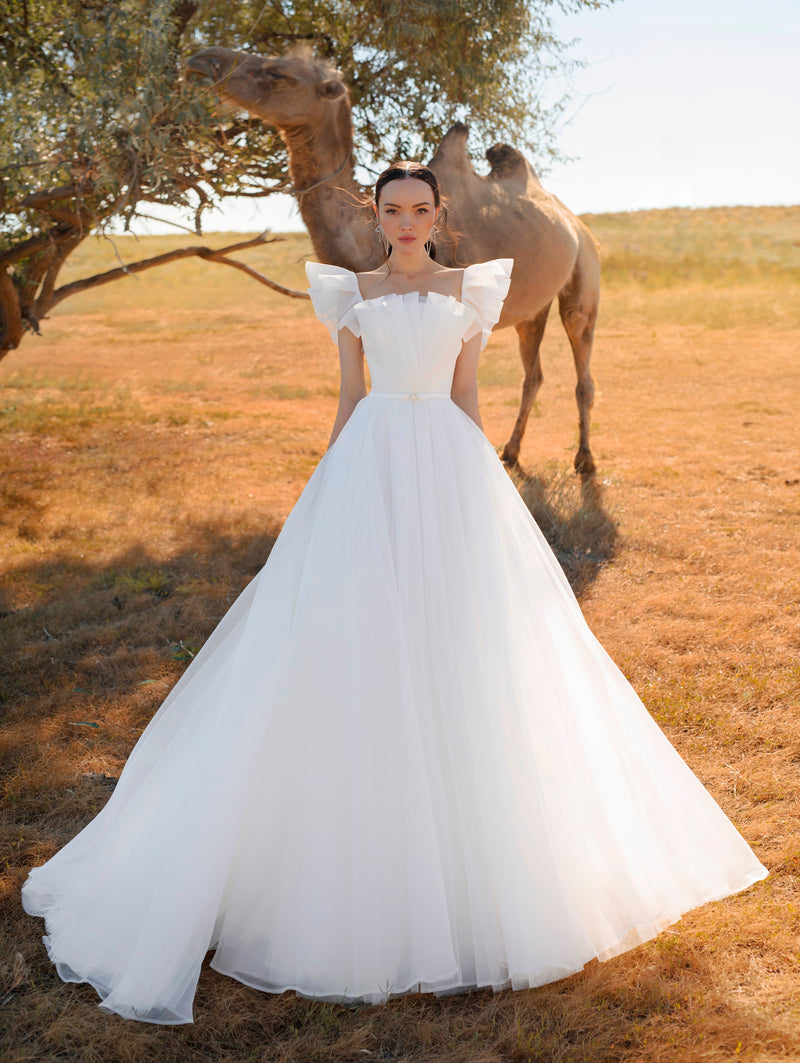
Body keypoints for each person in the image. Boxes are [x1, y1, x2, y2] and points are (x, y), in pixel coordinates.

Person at [21, 161, 768, 1026]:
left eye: (420, 208)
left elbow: (464, 398)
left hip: (446, 463)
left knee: (463, 643)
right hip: (370, 459)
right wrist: (328, 485)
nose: (407, 221)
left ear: (439, 213)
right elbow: (351, 399)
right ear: (375, 216)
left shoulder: (470, 290)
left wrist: (482, 488)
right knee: (350, 640)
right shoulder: (352, 292)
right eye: (393, 209)